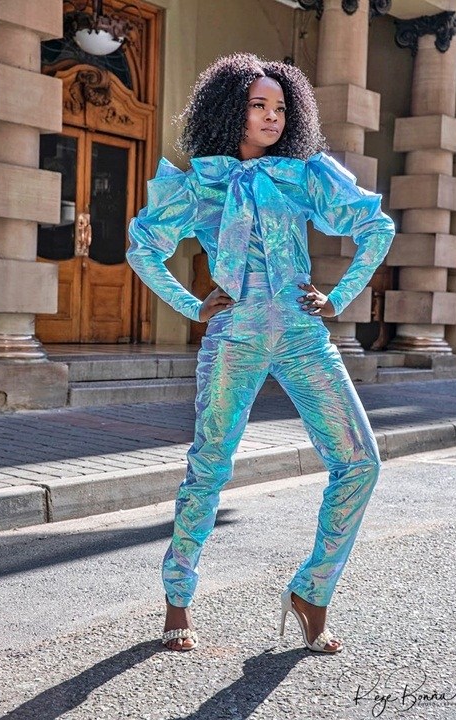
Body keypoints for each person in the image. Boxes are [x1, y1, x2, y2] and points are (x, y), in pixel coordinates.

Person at [127, 53, 396, 653]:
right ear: (231, 111)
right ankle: (177, 598)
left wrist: (338, 297)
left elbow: (376, 226)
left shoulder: (304, 174)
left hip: (303, 336)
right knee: (210, 465)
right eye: (258, 105)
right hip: (235, 337)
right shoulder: (201, 182)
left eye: (280, 107)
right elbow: (143, 245)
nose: (273, 116)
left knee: (360, 463)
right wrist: (191, 305)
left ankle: (312, 591)